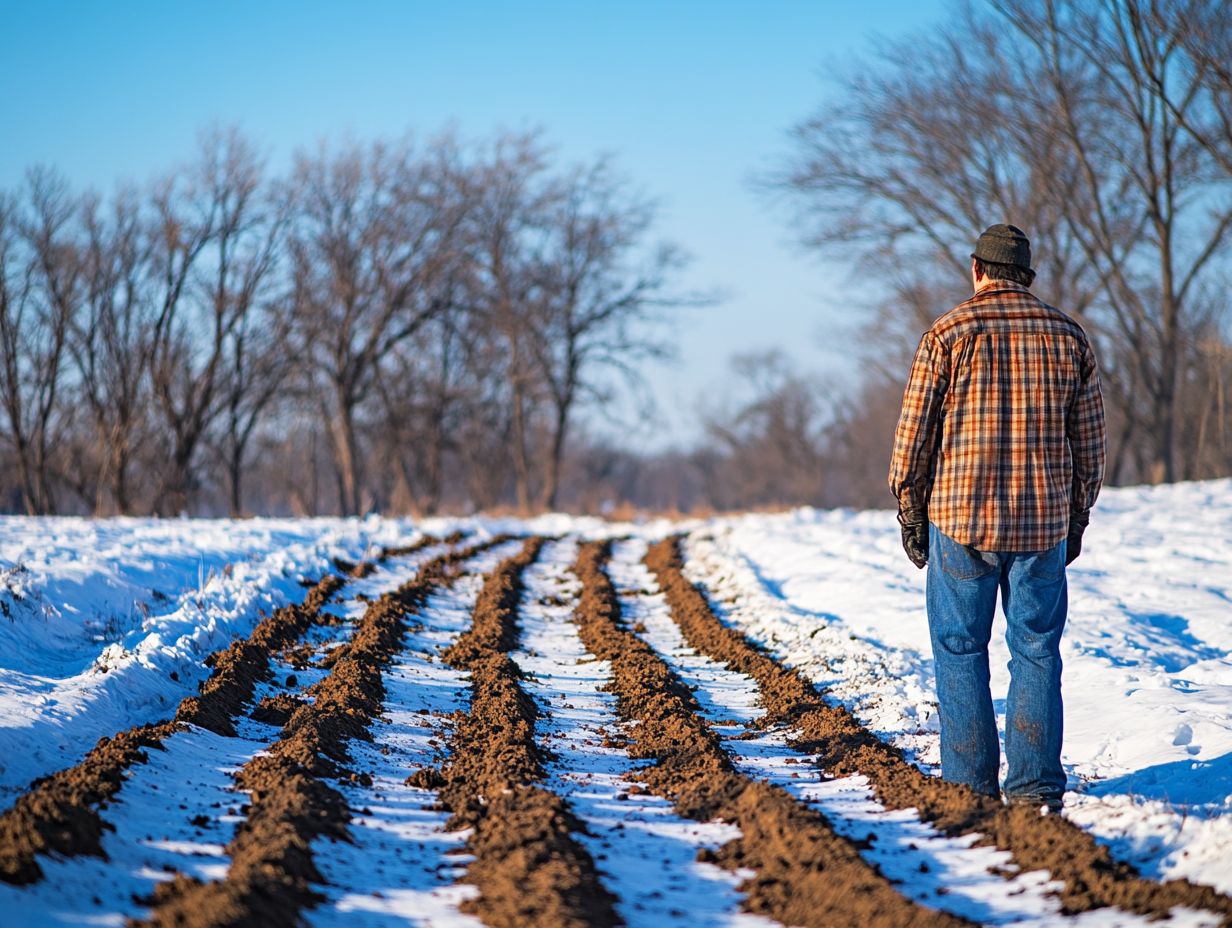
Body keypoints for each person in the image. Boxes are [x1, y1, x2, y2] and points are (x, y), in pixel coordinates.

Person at [887, 224, 1106, 810]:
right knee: (1035, 648)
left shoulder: (948, 334)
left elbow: (913, 440)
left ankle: (968, 789)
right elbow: (1090, 444)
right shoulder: (1069, 337)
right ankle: (1034, 790)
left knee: (960, 649)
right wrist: (1077, 514)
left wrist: (911, 511)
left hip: (960, 519)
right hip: (1042, 526)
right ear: (1027, 277)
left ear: (977, 269)